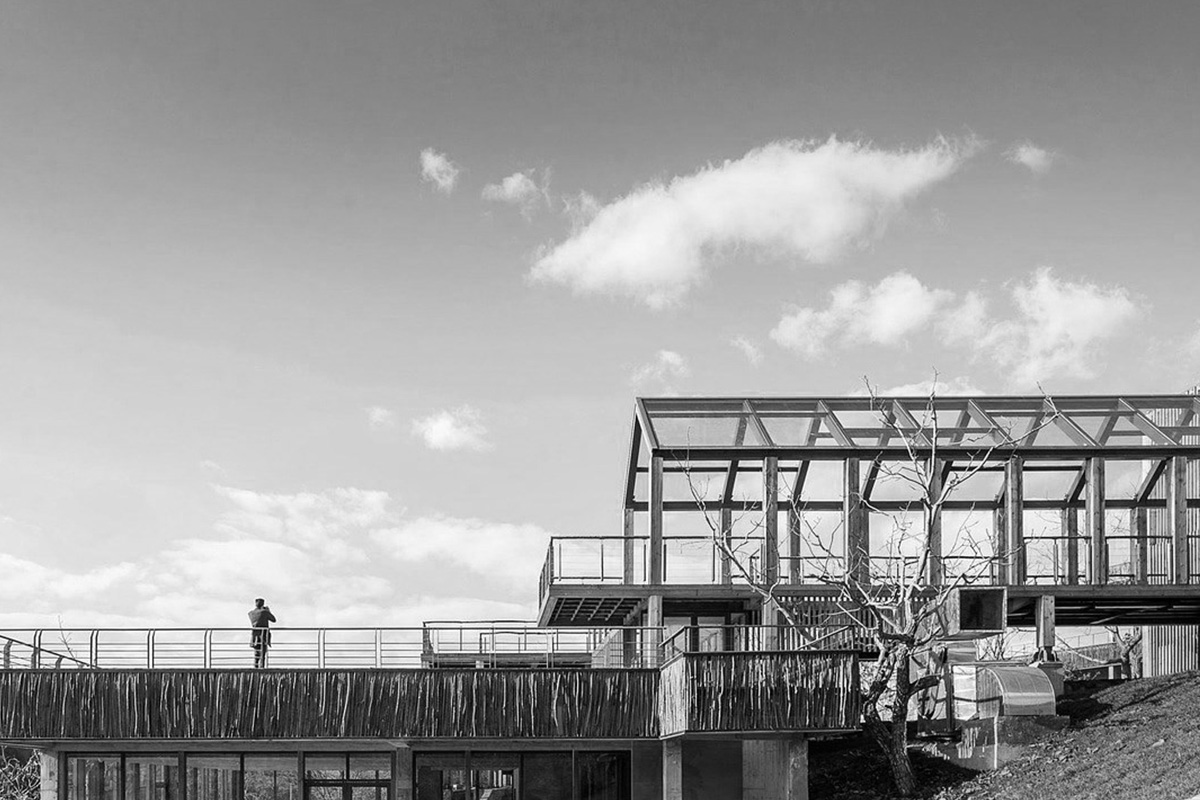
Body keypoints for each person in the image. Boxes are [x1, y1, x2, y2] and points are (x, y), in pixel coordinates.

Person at [248, 598, 276, 668]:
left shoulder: (251, 613)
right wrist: (268, 611)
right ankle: (261, 667)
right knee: (262, 654)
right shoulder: (264, 612)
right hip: (263, 635)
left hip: (255, 635)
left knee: (256, 654)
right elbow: (273, 619)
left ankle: (255, 667)